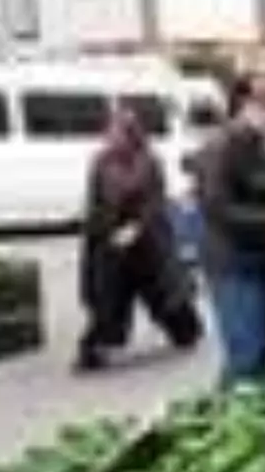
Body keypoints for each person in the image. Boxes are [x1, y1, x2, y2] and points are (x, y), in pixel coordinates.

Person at [190, 75, 265, 386]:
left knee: (262, 349)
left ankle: (236, 408)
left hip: (264, 262)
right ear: (244, 106)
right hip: (235, 266)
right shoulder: (220, 148)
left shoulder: (259, 148)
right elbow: (219, 210)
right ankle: (221, 420)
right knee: (247, 354)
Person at [76, 109, 202, 371]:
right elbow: (94, 199)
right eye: (110, 132)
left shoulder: (149, 161)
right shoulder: (101, 161)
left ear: (132, 136)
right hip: (110, 238)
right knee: (107, 297)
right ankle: (95, 348)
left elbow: (155, 201)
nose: (112, 138)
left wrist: (137, 227)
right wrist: (97, 229)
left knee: (162, 294)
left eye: (118, 133)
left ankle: (185, 329)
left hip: (147, 241)